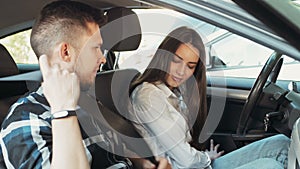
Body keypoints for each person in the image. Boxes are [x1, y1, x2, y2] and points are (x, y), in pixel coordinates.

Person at [0, 1, 171, 169]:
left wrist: (138, 162)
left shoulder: (86, 102)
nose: (102, 58)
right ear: (66, 52)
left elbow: (110, 151)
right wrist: (63, 111)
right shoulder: (25, 121)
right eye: (96, 48)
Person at [129, 26, 290, 169]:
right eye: (176, 61)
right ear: (164, 56)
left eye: (190, 66)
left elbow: (184, 151)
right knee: (271, 165)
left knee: (282, 143)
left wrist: (205, 158)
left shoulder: (173, 91)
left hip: (197, 165)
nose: (181, 71)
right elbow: (186, 160)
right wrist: (206, 158)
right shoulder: (149, 97)